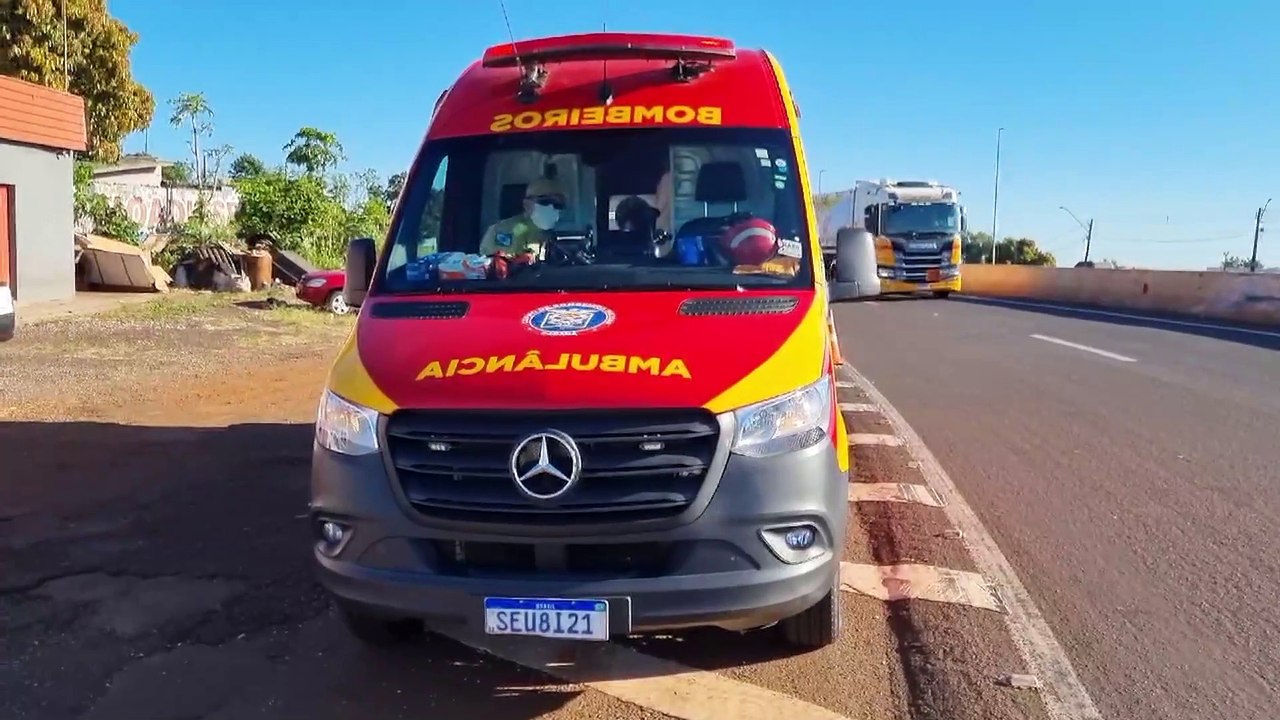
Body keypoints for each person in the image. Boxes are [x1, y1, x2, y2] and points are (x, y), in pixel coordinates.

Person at [478, 177, 566, 258]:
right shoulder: (502, 231)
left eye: (558, 204)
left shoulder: (567, 234)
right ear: (527, 204)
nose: (552, 207)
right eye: (545, 201)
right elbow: (497, 266)